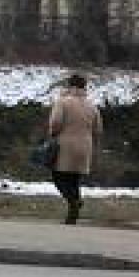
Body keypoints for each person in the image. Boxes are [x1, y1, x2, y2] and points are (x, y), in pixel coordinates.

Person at [48, 73, 102, 225]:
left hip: (65, 145)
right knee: (74, 180)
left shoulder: (63, 102)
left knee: (58, 176)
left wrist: (52, 133)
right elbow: (98, 129)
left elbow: (55, 123)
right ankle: (72, 216)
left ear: (69, 86)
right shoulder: (92, 106)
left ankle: (74, 201)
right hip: (85, 146)